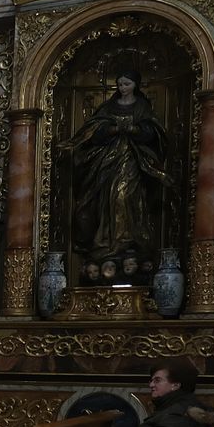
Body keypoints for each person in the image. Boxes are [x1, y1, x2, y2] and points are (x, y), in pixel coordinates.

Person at [65, 71, 169, 277]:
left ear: (135, 85)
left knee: (125, 197)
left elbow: (154, 133)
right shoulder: (108, 107)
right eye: (120, 84)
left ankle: (129, 240)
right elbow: (93, 132)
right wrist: (111, 130)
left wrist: (134, 130)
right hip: (107, 163)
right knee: (106, 201)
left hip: (133, 160)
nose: (122, 88)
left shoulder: (142, 107)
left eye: (127, 84)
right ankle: (107, 241)